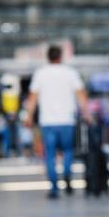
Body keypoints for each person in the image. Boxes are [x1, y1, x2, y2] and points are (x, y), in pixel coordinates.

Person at [26, 45, 92, 199]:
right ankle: (67, 175)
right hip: (67, 120)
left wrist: (28, 116)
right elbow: (81, 95)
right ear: (60, 56)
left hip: (47, 121)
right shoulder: (70, 73)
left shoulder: (40, 74)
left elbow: (32, 97)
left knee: (49, 154)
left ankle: (54, 188)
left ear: (48, 57)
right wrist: (87, 113)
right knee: (68, 150)